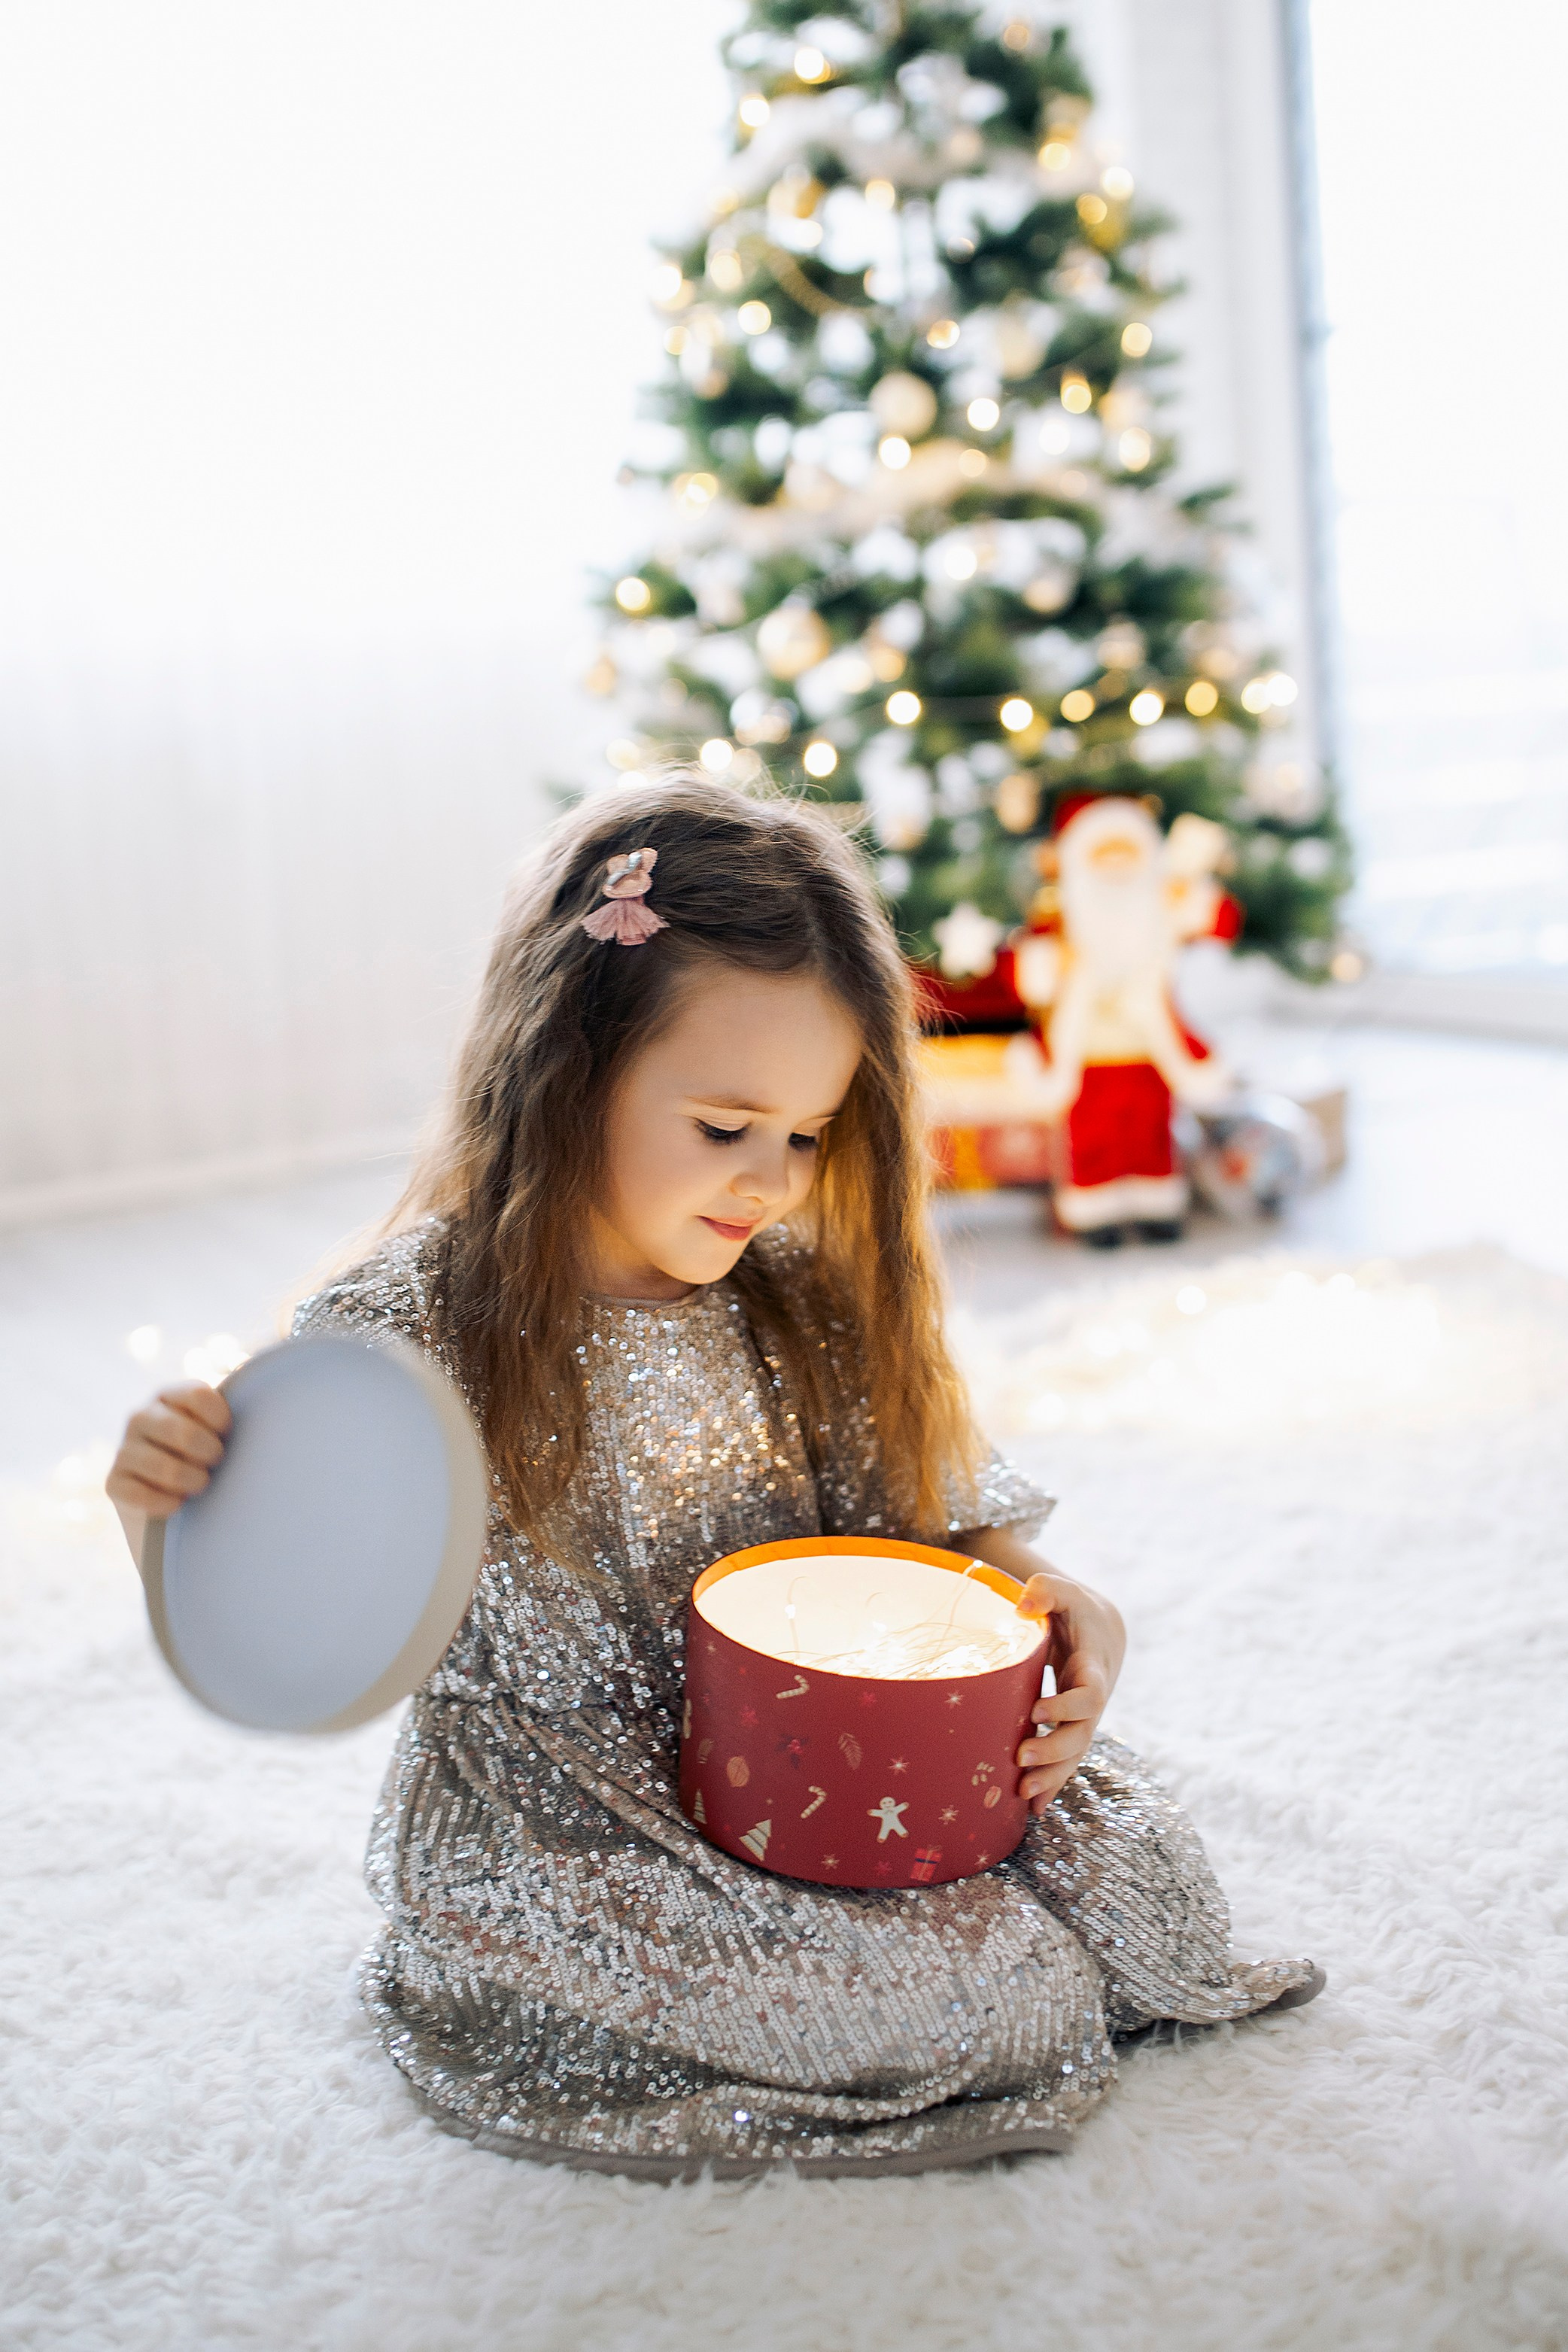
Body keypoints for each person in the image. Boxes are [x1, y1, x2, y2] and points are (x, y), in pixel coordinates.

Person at [105, 776, 1320, 2179]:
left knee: (1144, 1878)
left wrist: (1052, 1596)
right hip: (572, 1819)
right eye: (725, 1125)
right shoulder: (407, 1330)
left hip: (818, 1752)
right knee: (1000, 1993)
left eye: (805, 1135)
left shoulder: (790, 1291)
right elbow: (291, 1616)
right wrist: (167, 1513)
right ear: (567, 1071)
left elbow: (942, 1526)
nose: (769, 1182)